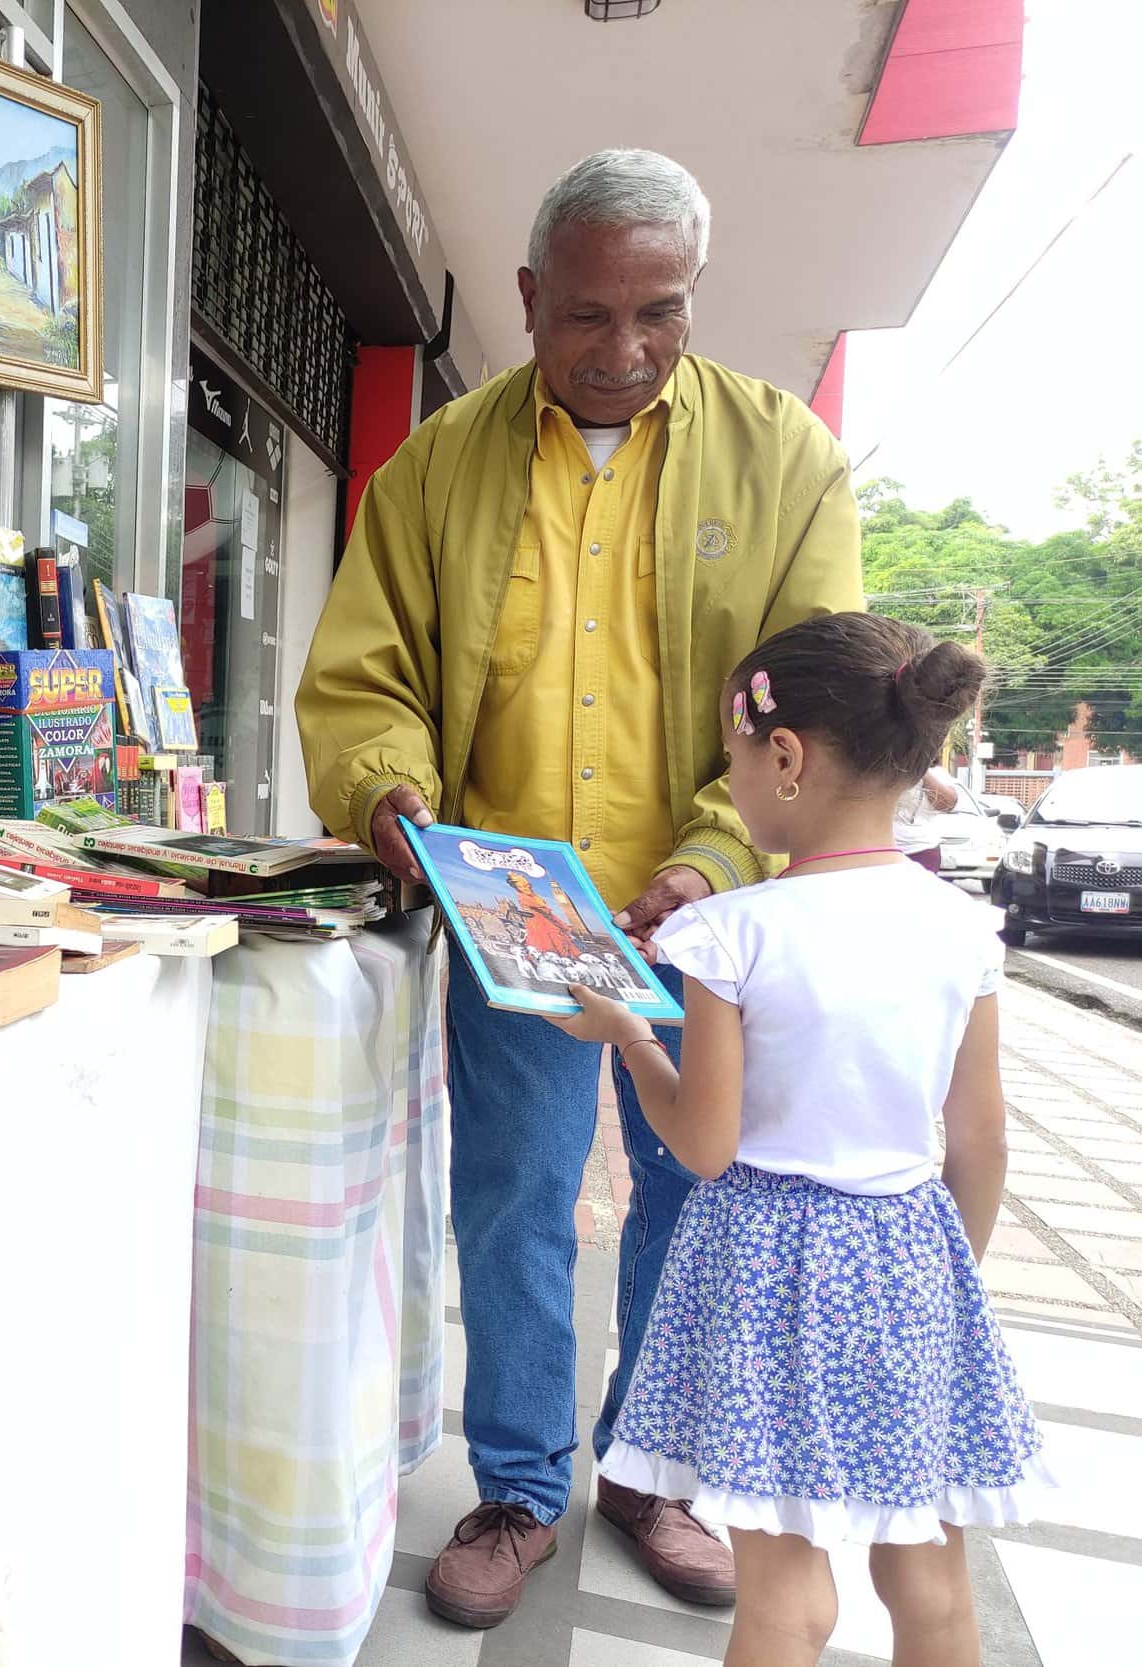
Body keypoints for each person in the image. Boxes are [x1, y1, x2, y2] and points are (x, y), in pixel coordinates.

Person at [297, 148, 865, 1626]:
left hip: (709, 917)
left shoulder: (785, 458)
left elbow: (813, 688)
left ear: (693, 300)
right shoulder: (437, 465)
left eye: (659, 314)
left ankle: (654, 1470)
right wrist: (393, 793)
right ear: (531, 298)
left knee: (693, 1195)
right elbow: (369, 676)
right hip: (521, 918)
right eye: (589, 317)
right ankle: (520, 1483)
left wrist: (714, 854)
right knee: (515, 1204)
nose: (624, 351)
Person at [550, 613, 1050, 1667]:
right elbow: (983, 1136)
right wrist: (944, 1269)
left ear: (784, 755)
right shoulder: (961, 928)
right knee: (931, 1583)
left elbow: (704, 1146)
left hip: (768, 1271)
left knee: (785, 1596)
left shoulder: (733, 931)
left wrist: (632, 1036)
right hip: (913, 1254)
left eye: (729, 761)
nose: (730, 784)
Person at [894, 765, 961, 874]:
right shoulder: (882, 768)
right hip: (881, 848)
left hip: (922, 849)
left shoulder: (936, 773)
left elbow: (948, 804)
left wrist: (921, 768)